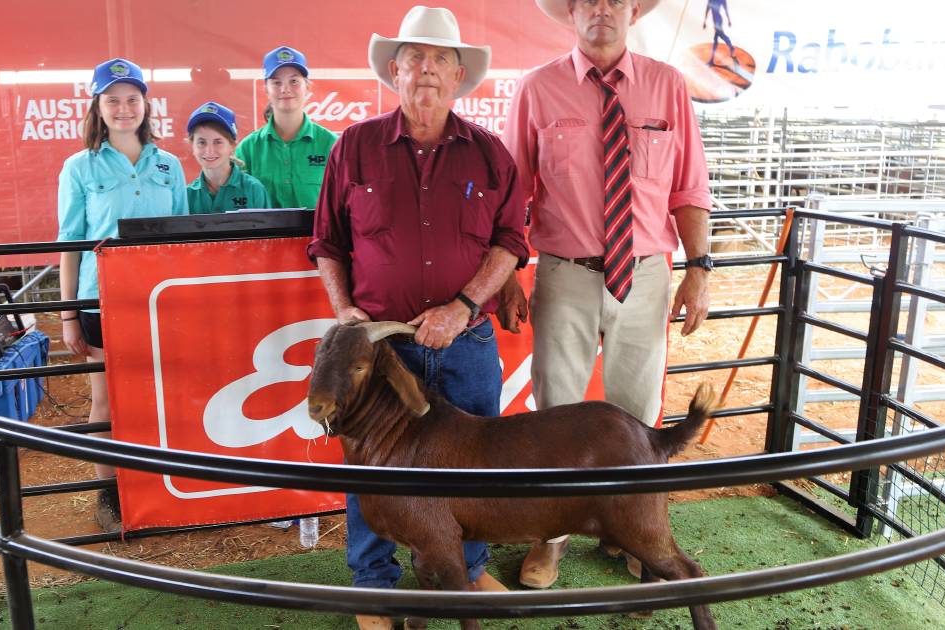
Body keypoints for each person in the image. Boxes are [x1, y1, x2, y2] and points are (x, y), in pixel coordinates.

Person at [307, 6, 528, 629]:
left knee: (475, 462)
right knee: (371, 467)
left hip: (468, 340)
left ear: (458, 76)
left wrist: (464, 305)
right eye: (414, 59)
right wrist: (346, 312)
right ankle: (374, 588)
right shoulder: (354, 146)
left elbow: (511, 239)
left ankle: (471, 566)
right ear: (394, 72)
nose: (426, 70)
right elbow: (327, 242)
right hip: (382, 350)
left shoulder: (490, 154)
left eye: (438, 60)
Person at [502, 0, 713, 589]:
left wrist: (699, 268)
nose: (601, 8)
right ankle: (551, 537)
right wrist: (508, 277)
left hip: (645, 272)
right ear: (570, 13)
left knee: (639, 417)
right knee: (556, 416)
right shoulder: (536, 89)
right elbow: (513, 194)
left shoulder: (667, 86)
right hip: (564, 271)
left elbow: (689, 183)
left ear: (632, 11)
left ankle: (637, 534)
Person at [57, 57, 188, 532]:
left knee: (159, 395)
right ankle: (109, 496)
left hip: (157, 300)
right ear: (97, 106)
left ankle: (159, 487)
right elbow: (70, 243)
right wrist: (69, 313)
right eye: (112, 99)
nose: (123, 108)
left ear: (146, 105)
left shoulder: (170, 165)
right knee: (106, 401)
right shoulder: (78, 167)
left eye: (132, 99)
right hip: (100, 301)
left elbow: (180, 242)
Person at [235, 46, 338, 209]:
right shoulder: (247, 149)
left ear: (308, 87)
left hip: (320, 235)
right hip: (265, 235)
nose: (285, 89)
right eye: (276, 82)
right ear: (266, 90)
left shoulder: (333, 145)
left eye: (294, 81)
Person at [184, 101, 269, 213]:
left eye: (217, 142)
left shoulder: (253, 189)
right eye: (202, 142)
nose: (209, 150)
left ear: (232, 145)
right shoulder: (187, 195)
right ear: (192, 146)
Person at [703, 0, 735, 66]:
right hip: (715, 21)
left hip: (718, 20)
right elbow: (707, 9)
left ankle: (712, 60)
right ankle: (731, 47)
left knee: (719, 37)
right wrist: (705, 21)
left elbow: (726, 9)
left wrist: (729, 20)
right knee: (717, 38)